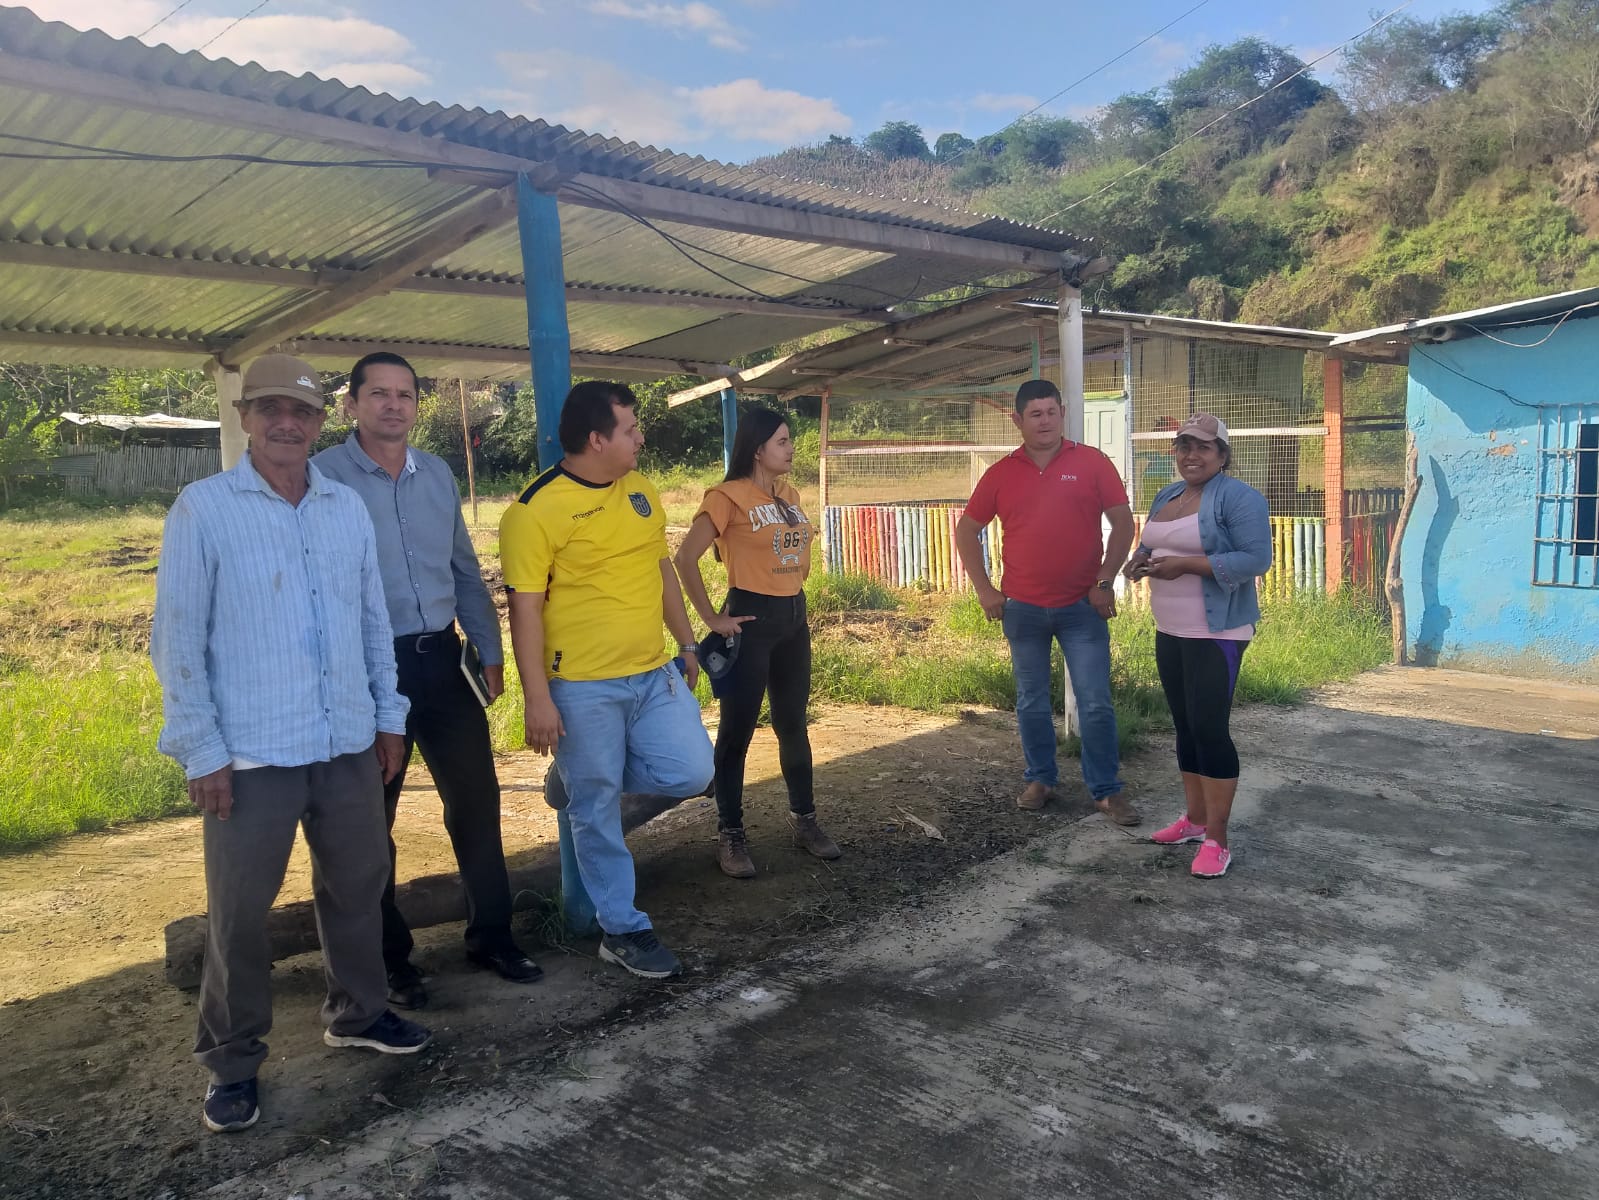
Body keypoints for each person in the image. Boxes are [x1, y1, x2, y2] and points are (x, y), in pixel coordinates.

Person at [151, 353, 431, 1136]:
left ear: (320, 422)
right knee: (240, 911)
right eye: (270, 408)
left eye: (301, 411)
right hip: (249, 753)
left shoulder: (343, 508)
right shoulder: (205, 509)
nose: (286, 423)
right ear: (244, 416)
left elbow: (372, 621)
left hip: (345, 741)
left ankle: (359, 1012)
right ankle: (233, 1061)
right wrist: (201, 750)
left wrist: (388, 718)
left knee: (358, 883)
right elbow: (177, 640)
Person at [314, 352, 540, 1010]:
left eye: (404, 394)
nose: (393, 405)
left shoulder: (436, 473)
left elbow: (464, 569)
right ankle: (389, 960)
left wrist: (489, 648)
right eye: (378, 394)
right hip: (366, 670)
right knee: (369, 820)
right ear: (351, 404)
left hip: (442, 661)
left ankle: (491, 936)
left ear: (417, 404)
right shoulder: (323, 477)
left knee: (476, 801)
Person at [500, 381, 714, 979]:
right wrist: (537, 699)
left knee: (692, 772)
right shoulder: (533, 512)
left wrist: (686, 641)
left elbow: (661, 568)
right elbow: (524, 610)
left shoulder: (641, 490)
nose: (641, 438)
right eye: (631, 428)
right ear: (597, 439)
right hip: (581, 687)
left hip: (651, 673)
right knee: (595, 810)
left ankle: (575, 776)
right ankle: (622, 929)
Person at [954, 378, 1140, 824]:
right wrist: (984, 589)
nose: (1045, 421)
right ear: (1017, 420)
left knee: (1095, 701)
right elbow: (966, 530)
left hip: (1082, 608)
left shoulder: (1092, 463)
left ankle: (1106, 790)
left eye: (1052, 412)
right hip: (1022, 609)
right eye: (1035, 414)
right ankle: (1041, 779)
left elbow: (1123, 523)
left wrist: (1105, 580)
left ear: (1062, 414)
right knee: (1031, 701)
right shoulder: (1001, 473)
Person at [674, 408, 839, 879]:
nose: (791, 448)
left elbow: (798, 556)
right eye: (783, 441)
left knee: (793, 724)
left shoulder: (790, 495)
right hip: (749, 619)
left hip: (793, 620)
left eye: (790, 440)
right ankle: (730, 834)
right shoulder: (727, 497)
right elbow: (685, 558)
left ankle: (805, 821)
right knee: (737, 732)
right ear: (757, 448)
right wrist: (711, 618)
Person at [1124, 413, 1271, 879]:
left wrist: (1187, 566)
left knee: (1210, 730)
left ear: (1222, 455)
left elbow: (1256, 558)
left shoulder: (1239, 497)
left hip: (1217, 632)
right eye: (1184, 446)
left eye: (1204, 447)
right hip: (1170, 628)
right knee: (1185, 727)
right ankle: (1194, 820)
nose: (1192, 455)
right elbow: (1153, 543)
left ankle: (1218, 840)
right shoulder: (1168, 495)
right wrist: (1139, 560)